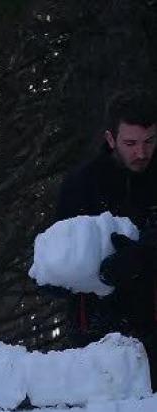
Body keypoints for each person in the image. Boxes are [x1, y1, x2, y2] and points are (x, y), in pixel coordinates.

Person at [55, 89, 157, 383]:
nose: (142, 152)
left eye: (150, 141)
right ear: (111, 139)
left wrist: (143, 255)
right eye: (131, 143)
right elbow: (55, 261)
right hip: (95, 334)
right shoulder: (81, 186)